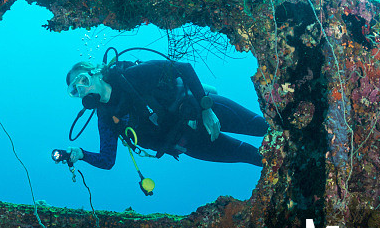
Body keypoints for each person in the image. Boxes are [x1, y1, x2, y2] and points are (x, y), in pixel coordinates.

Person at [64, 57, 267, 170]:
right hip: (187, 142)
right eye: (75, 90)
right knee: (253, 157)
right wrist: (81, 154)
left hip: (199, 109)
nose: (82, 90)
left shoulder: (131, 75)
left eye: (82, 81)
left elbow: (182, 68)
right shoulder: (106, 118)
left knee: (264, 128)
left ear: (96, 73)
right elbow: (107, 160)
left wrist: (206, 109)